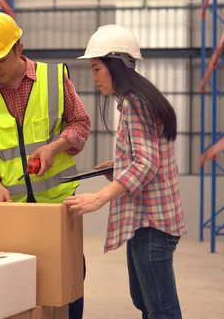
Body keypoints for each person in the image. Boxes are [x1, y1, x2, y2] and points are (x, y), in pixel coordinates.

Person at [0, 12, 91, 319]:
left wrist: (54, 147)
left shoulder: (54, 79)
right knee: (16, 289)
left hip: (60, 205)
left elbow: (81, 124)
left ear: (19, 49)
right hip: (12, 208)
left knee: (68, 282)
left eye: (1, 60)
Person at [64, 25, 187, 319]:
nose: (93, 78)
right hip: (150, 221)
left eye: (96, 69)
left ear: (116, 64)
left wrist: (100, 197)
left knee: (160, 310)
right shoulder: (140, 100)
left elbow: (146, 163)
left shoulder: (135, 104)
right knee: (145, 302)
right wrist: (119, 166)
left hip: (150, 222)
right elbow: (145, 157)